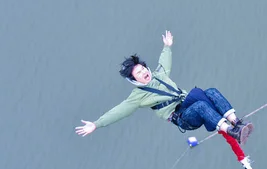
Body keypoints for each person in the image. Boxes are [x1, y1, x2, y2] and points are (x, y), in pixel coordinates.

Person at [75, 30, 254, 143]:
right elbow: (120, 110)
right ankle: (232, 132)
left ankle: (237, 123)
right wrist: (97, 124)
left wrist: (167, 47)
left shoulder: (159, 75)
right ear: (134, 80)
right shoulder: (138, 96)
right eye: (139, 73)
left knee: (211, 92)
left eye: (143, 68)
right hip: (183, 117)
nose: (144, 72)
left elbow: (164, 61)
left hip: (188, 103)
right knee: (201, 105)